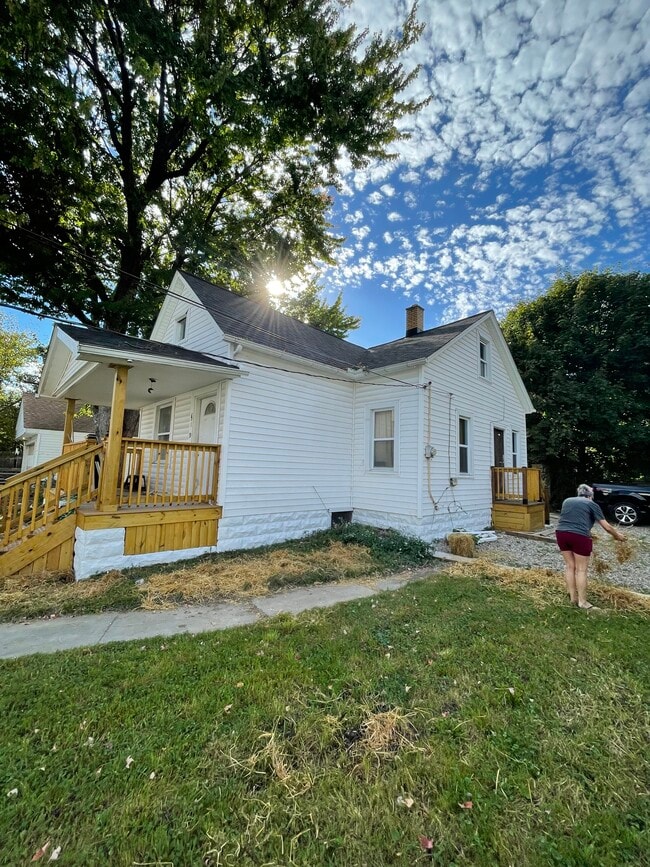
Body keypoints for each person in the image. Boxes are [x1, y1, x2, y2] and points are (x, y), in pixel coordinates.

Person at [555, 483, 625, 610]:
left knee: (570, 566)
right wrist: (618, 536)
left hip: (561, 533)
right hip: (580, 536)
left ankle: (573, 598)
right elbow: (607, 526)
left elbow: (573, 519)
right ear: (590, 495)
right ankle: (583, 602)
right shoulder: (591, 504)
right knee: (581, 569)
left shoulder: (567, 501)